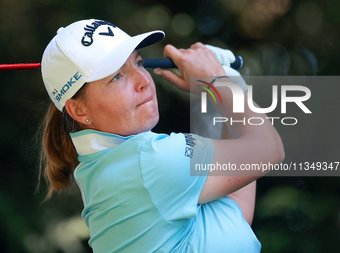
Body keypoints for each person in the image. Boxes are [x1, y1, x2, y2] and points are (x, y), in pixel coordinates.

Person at [39, 19, 284, 252]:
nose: (143, 80)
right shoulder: (150, 161)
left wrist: (227, 84)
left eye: (138, 63)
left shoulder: (108, 168)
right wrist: (217, 81)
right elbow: (269, 149)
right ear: (79, 110)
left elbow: (233, 217)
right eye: (117, 76)